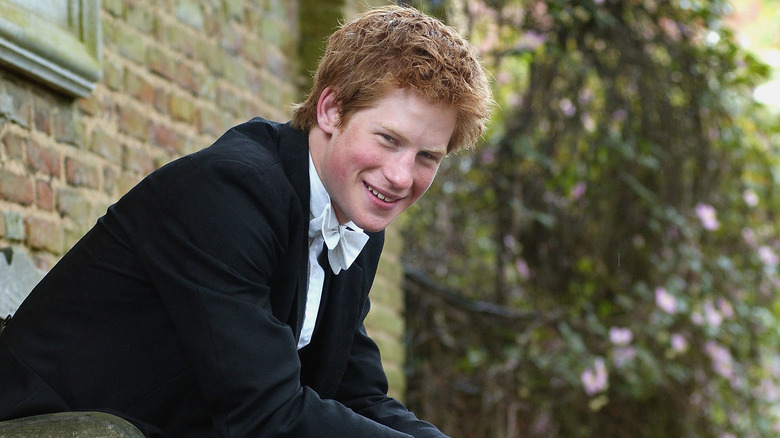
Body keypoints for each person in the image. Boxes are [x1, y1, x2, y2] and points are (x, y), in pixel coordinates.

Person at [0, 5, 493, 437]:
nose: (402, 175)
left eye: (428, 156)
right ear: (330, 109)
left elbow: (356, 397)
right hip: (55, 424)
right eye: (389, 139)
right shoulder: (231, 191)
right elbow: (266, 416)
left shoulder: (354, 218)